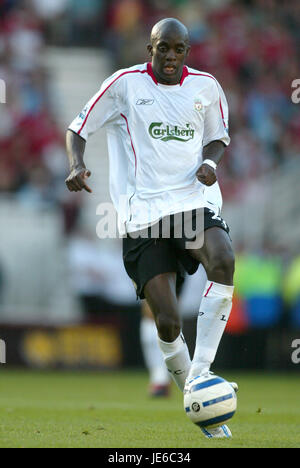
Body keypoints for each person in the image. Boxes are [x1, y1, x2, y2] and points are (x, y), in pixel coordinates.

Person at [65, 18, 236, 439]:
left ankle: (200, 376)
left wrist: (210, 162)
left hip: (191, 203)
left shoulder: (206, 88)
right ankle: (193, 395)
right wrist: (75, 164)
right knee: (167, 323)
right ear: (150, 48)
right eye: (164, 49)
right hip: (142, 217)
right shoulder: (124, 84)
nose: (171, 57)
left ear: (188, 51)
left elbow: (219, 137)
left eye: (179, 50)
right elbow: (78, 128)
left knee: (224, 259)